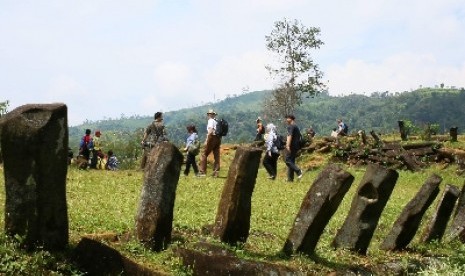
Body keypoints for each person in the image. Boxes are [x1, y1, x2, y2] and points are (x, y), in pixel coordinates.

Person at [198, 109, 221, 177]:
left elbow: (210, 131)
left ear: (210, 115)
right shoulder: (217, 121)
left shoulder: (210, 120)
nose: (209, 115)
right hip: (218, 138)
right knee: (216, 156)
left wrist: (207, 140)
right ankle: (216, 172)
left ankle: (202, 172)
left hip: (212, 137)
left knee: (204, 154)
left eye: (209, 114)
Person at [285, 114, 303, 182]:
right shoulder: (296, 126)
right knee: (291, 161)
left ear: (290, 119)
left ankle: (299, 171)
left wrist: (288, 146)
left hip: (292, 146)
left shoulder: (291, 126)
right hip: (296, 146)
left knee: (287, 160)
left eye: (287, 118)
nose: (286, 120)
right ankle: (290, 179)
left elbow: (290, 136)